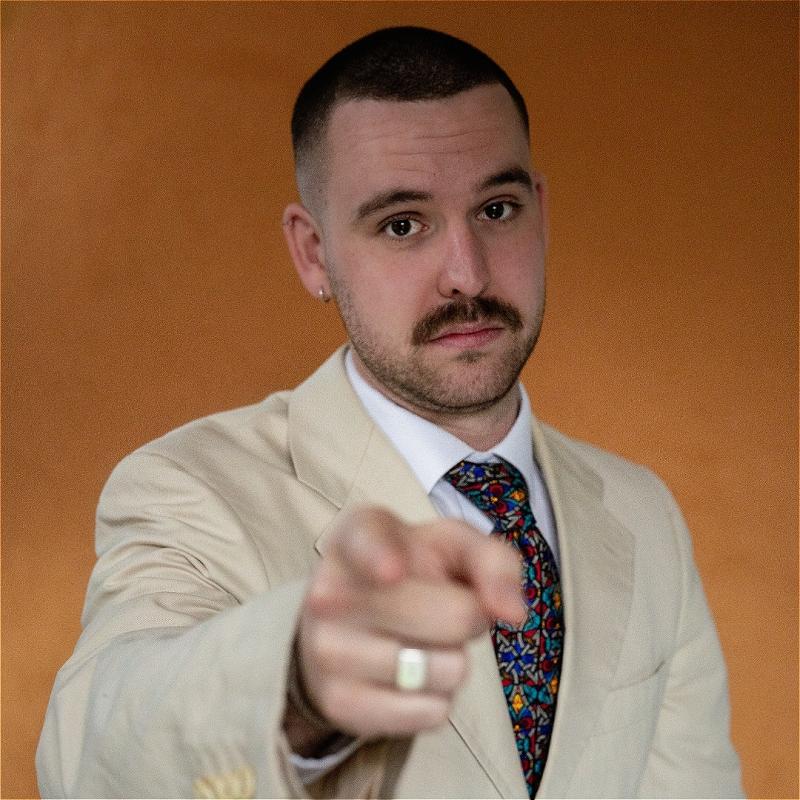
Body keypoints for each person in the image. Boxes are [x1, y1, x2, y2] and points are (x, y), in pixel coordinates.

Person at [37, 26, 742, 799]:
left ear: (540, 211)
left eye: (497, 209)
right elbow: (87, 756)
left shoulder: (644, 512)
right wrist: (296, 684)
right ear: (314, 255)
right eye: (403, 224)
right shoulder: (187, 490)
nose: (465, 274)